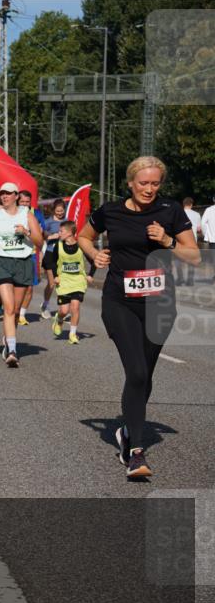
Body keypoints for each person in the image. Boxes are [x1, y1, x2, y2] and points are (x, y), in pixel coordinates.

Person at [78, 156, 200, 478]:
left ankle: (126, 431)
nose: (149, 189)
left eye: (155, 183)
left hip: (160, 303)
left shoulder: (170, 212)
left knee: (144, 374)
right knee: (135, 370)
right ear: (130, 183)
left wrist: (167, 240)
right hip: (120, 300)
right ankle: (135, 452)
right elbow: (83, 236)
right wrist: (95, 253)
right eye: (143, 183)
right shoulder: (110, 211)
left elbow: (195, 256)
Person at [0, 182, 43, 367]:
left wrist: (26, 232)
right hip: (1, 262)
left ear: (16, 196)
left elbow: (40, 242)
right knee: (9, 307)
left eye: (8, 194)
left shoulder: (27, 215)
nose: (4, 196)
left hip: (23, 262)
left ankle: (8, 337)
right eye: (2, 194)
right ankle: (12, 350)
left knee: (16, 310)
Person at [51, 220, 95, 344]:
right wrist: (55, 276)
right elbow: (52, 262)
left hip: (78, 281)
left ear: (70, 232)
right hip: (63, 281)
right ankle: (59, 319)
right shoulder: (58, 246)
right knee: (64, 311)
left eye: (61, 231)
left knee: (75, 307)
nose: (59, 233)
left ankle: (72, 334)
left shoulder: (81, 245)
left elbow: (94, 260)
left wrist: (91, 275)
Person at [17, 190, 45, 325]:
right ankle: (11, 309)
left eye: (27, 202)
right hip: (14, 254)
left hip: (31, 254)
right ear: (17, 201)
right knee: (13, 286)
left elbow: (41, 234)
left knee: (29, 287)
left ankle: (22, 314)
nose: (24, 204)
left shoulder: (36, 214)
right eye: (22, 202)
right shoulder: (11, 213)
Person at [39, 199, 65, 317]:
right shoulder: (48, 222)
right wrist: (52, 236)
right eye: (58, 211)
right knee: (52, 283)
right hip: (50, 254)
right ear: (54, 210)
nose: (60, 213)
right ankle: (45, 305)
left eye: (62, 210)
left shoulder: (67, 222)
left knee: (62, 284)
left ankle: (63, 310)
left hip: (63, 255)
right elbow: (42, 236)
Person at [175, 198, 201, 285]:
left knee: (178, 260)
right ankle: (190, 281)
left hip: (180, 240)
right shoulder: (197, 214)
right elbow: (199, 229)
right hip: (192, 240)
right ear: (191, 205)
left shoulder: (178, 213)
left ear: (183, 204)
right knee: (191, 260)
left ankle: (180, 278)